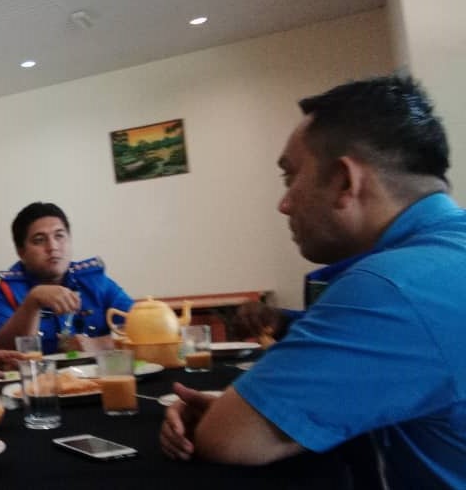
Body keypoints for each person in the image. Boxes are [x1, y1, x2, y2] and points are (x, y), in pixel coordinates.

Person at [159, 75, 466, 489]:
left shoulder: (391, 287)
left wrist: (233, 413)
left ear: (344, 181)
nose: (283, 204)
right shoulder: (446, 257)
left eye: (289, 178)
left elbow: (228, 438)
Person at [0, 202, 134, 354]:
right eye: (39, 240)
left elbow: (141, 327)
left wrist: (100, 344)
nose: (53, 247)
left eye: (59, 236)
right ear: (21, 252)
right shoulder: (2, 288)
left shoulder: (93, 280)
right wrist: (31, 303)